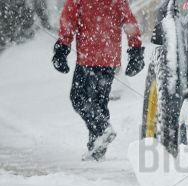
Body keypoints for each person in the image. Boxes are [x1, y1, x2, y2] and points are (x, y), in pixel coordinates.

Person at [52, 0, 145, 161]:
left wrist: (62, 47)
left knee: (78, 98)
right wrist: (135, 50)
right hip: (109, 60)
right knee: (99, 103)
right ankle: (97, 150)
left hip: (88, 59)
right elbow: (130, 22)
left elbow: (69, 20)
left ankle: (102, 130)